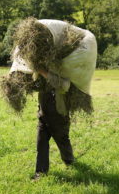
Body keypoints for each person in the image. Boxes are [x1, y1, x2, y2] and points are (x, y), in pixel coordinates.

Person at [10, 18, 97, 179]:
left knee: (62, 138)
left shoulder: (63, 72)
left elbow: (65, 86)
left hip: (59, 114)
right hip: (43, 114)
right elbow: (33, 79)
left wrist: (43, 71)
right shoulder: (46, 71)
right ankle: (40, 172)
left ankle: (69, 160)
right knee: (41, 142)